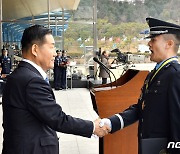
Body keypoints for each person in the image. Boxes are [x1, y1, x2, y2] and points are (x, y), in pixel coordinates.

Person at [2, 25, 110, 154]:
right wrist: (92, 127)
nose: (54, 53)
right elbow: (57, 118)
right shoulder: (32, 81)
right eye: (51, 47)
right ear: (35, 49)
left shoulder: (20, 75)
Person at [101, 17, 180, 154]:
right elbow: (142, 108)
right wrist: (111, 122)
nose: (149, 44)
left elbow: (177, 122)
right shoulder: (155, 74)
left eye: (153, 40)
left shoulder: (175, 75)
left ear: (169, 43)